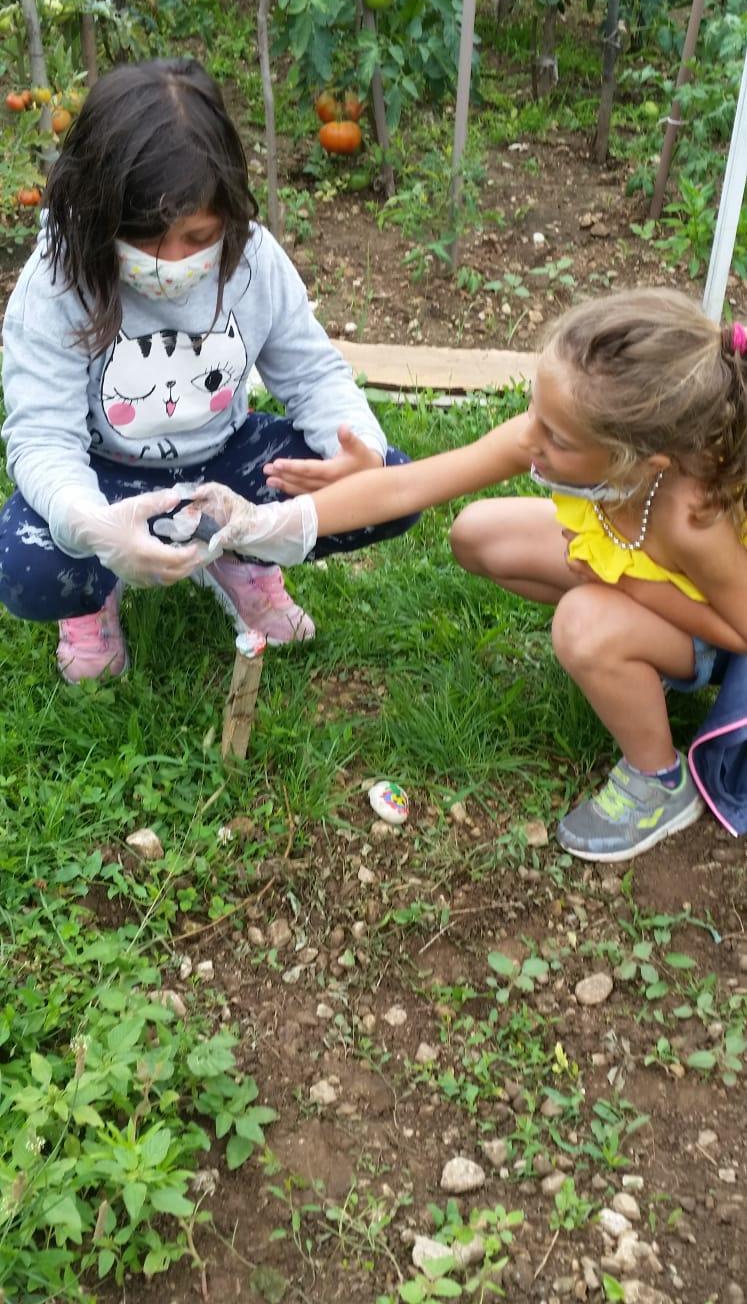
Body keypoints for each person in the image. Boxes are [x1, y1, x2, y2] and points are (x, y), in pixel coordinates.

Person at [184, 289, 747, 863]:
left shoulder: (690, 518)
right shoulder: (564, 436)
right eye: (535, 411)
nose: (531, 438)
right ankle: (619, 647)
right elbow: (410, 485)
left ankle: (658, 779)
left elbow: (742, 635)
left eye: (557, 436)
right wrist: (266, 522)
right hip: (638, 579)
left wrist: (628, 588)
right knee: (479, 533)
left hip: (713, 637)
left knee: (583, 623)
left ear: (640, 461)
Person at [0, 58, 416, 683]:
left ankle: (242, 553)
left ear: (229, 209)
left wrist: (355, 447)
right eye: (142, 236)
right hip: (106, 474)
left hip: (227, 461)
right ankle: (94, 590)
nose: (172, 261)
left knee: (390, 489)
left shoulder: (253, 259)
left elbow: (312, 374)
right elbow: (42, 438)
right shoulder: (58, 277)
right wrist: (96, 526)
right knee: (24, 567)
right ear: (95, 211)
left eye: (198, 235)